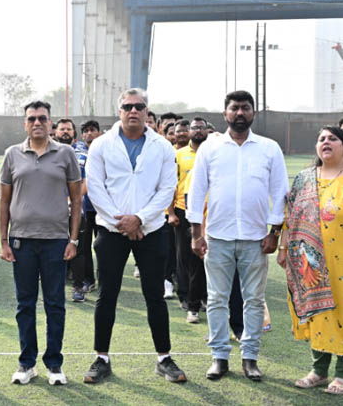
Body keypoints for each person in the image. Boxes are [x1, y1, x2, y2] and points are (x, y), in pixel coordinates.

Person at [84, 88, 186, 385]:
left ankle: (164, 358)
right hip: (111, 229)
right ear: (119, 111)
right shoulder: (101, 144)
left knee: (155, 296)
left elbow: (167, 189)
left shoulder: (162, 146)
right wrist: (122, 222)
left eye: (139, 107)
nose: (133, 111)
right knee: (107, 295)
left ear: (146, 111)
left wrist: (139, 219)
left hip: (150, 230)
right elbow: (95, 187)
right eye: (127, 106)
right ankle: (101, 358)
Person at [188, 90, 288, 382]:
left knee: (254, 300)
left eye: (245, 108)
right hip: (217, 237)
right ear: (225, 114)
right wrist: (196, 234)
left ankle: (250, 357)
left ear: (253, 113)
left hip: (256, 239)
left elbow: (280, 192)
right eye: (235, 108)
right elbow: (196, 191)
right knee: (217, 299)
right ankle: (219, 357)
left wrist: (274, 233)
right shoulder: (210, 147)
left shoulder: (269, 148)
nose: (240, 113)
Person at [0, 100, 82, 386]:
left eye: (42, 118)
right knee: (25, 304)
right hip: (21, 240)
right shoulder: (12, 154)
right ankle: (26, 363)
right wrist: (3, 241)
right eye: (32, 118)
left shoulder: (66, 153)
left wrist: (73, 239)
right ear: (25, 123)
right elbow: (4, 201)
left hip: (55, 241)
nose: (37, 123)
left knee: (55, 304)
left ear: (50, 123)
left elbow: (76, 199)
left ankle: (54, 364)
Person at [279, 126, 343, 395]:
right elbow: (290, 215)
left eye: (333, 138)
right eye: (321, 139)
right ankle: (319, 371)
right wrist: (284, 248)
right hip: (310, 261)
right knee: (318, 312)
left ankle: (341, 375)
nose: (326, 142)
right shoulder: (305, 178)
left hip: (341, 259)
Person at [175, 117, 209, 323]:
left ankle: (202, 299)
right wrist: (170, 212)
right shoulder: (179, 154)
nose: (198, 131)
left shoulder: (214, 153)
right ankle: (188, 300)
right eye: (194, 128)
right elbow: (172, 183)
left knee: (205, 260)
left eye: (201, 128)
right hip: (185, 210)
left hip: (212, 214)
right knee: (186, 256)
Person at [70, 120, 101, 302]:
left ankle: (104, 278)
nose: (89, 133)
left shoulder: (106, 149)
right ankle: (88, 280)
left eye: (92, 130)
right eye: (86, 131)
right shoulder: (77, 152)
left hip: (102, 207)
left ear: (99, 132)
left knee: (103, 246)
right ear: (82, 135)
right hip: (84, 207)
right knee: (84, 245)